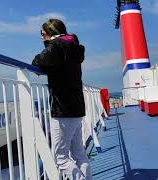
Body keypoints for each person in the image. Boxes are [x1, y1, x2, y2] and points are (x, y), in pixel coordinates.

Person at [32, 18, 93, 180]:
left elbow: (39, 60)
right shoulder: (73, 47)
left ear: (51, 34)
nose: (41, 37)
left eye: (42, 34)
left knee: (61, 158)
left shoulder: (57, 46)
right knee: (79, 154)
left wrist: (40, 63)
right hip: (77, 107)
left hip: (63, 109)